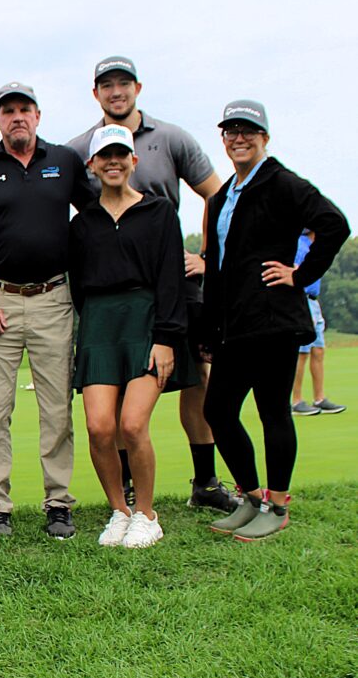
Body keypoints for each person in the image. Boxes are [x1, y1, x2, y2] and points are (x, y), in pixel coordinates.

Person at [67, 56, 233, 512]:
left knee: (196, 380)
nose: (116, 91)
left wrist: (209, 259)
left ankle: (205, 481)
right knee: (107, 420)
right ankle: (127, 502)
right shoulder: (77, 148)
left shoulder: (171, 138)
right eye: (107, 84)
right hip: (105, 312)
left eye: (123, 83)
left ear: (137, 87)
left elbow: (216, 195)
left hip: (167, 291)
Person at [202, 101, 349, 541]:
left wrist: (300, 276)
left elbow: (334, 223)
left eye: (248, 130)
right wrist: (211, 326)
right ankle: (250, 497)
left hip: (274, 321)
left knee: (272, 412)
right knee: (219, 410)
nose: (238, 138)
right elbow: (217, 265)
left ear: (264, 137)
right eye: (230, 130)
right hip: (234, 325)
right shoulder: (224, 193)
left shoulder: (282, 182)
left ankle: (278, 504)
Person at [0, 82, 96, 539]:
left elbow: (96, 217)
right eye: (8, 111)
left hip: (53, 298)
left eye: (25, 109)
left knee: (56, 408)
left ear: (38, 116)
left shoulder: (65, 162)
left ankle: (58, 503)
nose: (17, 117)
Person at [69, 125, 196, 548]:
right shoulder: (82, 224)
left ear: (134, 161)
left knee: (132, 423)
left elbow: (170, 280)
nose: (113, 162)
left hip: (147, 323)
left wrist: (166, 337)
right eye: (105, 156)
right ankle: (119, 512)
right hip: (100, 326)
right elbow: (78, 287)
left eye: (121, 154)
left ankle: (146, 513)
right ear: (92, 165)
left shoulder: (159, 213)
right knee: (100, 427)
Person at [290, 231, 346, 416]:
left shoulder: (315, 244)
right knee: (302, 352)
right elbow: (294, 270)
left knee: (318, 350)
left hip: (314, 300)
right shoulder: (300, 244)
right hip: (302, 299)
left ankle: (319, 398)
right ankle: (296, 401)